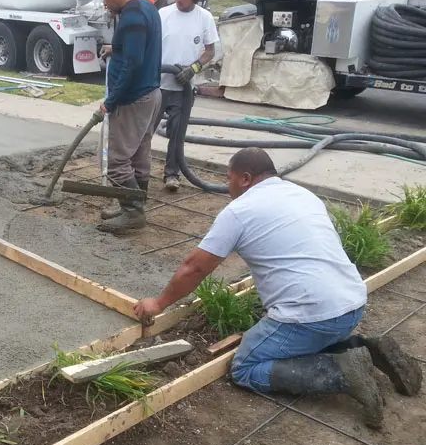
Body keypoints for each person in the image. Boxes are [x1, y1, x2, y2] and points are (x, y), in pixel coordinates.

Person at [134, 148, 423, 429]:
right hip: (352, 305)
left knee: (245, 368)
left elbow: (194, 267)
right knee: (306, 333)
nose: (227, 185)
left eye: (229, 177)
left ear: (245, 178)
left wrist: (158, 304)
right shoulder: (303, 194)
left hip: (313, 318)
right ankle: (363, 350)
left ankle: (341, 373)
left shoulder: (239, 211)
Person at [95, 0, 163, 234]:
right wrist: (117, 47)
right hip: (151, 94)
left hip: (133, 98)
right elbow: (140, 48)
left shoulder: (132, 16)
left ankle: (133, 212)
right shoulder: (147, 8)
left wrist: (111, 100)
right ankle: (133, 205)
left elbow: (133, 63)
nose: (103, 1)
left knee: (117, 160)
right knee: (139, 155)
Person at [158, 0, 218, 191]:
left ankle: (171, 175)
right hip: (158, 85)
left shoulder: (204, 18)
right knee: (145, 131)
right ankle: (138, 171)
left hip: (183, 88)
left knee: (177, 134)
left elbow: (210, 50)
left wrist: (193, 68)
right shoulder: (163, 14)